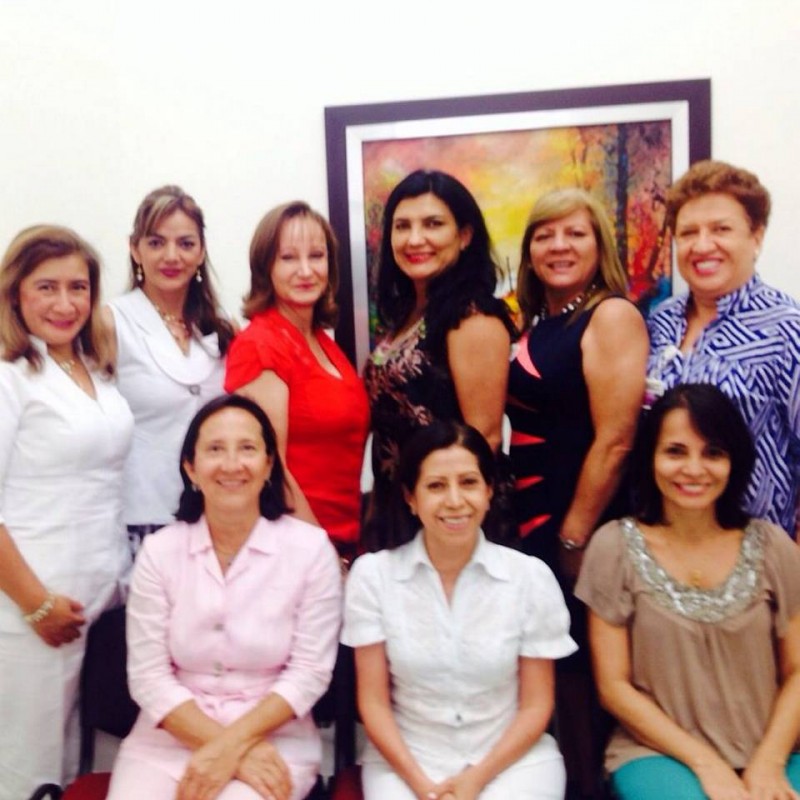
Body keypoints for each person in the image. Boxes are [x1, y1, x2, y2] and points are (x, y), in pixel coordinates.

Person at [107, 394, 342, 800]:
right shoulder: (161, 551)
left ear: (269, 465)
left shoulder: (311, 550)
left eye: (247, 449)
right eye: (215, 449)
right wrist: (223, 747)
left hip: (272, 740)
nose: (232, 465)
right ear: (191, 468)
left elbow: (310, 673)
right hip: (168, 738)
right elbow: (148, 677)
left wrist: (233, 746)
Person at [576, 383, 800, 800]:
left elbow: (797, 673)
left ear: (734, 461)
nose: (694, 469)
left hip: (776, 750)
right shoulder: (614, 547)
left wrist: (768, 763)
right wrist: (706, 764)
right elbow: (613, 687)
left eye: (712, 452)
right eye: (675, 451)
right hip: (658, 754)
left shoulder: (772, 546)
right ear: (651, 457)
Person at [342, 420, 577, 800]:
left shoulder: (529, 578)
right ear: (411, 498)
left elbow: (537, 705)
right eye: (436, 486)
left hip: (511, 761)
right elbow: (373, 702)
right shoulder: (373, 577)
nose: (454, 500)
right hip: (405, 763)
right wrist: (423, 787)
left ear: (488, 491)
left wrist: (475, 780)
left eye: (468, 483)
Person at [506, 187, 648, 798]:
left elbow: (616, 440)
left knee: (591, 682)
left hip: (581, 526)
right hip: (535, 520)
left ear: (600, 246)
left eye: (575, 233)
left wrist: (575, 534)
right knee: (556, 679)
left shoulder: (611, 316)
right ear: (530, 250)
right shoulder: (541, 323)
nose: (558, 245)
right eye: (545, 235)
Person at [0, 225, 133, 798]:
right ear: (15, 294)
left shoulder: (91, 366)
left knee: (86, 774)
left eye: (77, 287)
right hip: (33, 610)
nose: (64, 303)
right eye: (45, 287)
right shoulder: (9, 376)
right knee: (28, 773)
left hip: (99, 601)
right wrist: (35, 604)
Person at [363, 169, 516, 550]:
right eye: (402, 226)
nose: (416, 239)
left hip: (448, 519)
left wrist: (444, 516)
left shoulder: (472, 317)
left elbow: (484, 438)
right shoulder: (406, 314)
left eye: (433, 224)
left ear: (464, 236)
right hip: (400, 506)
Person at [646, 160, 800, 537]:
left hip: (757, 559)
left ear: (757, 236)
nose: (702, 245)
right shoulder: (660, 322)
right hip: (661, 548)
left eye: (721, 229)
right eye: (688, 232)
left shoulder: (787, 329)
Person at [225, 201, 369, 561]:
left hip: (343, 539)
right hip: (294, 549)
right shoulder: (261, 344)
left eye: (316, 255)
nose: (306, 270)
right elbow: (269, 467)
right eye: (288, 257)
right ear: (266, 267)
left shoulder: (324, 342)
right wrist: (322, 557)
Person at [104, 185, 233, 551]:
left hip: (215, 512)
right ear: (135, 249)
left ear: (202, 250)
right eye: (156, 243)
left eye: (186, 243)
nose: (171, 256)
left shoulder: (221, 327)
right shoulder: (111, 322)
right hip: (142, 517)